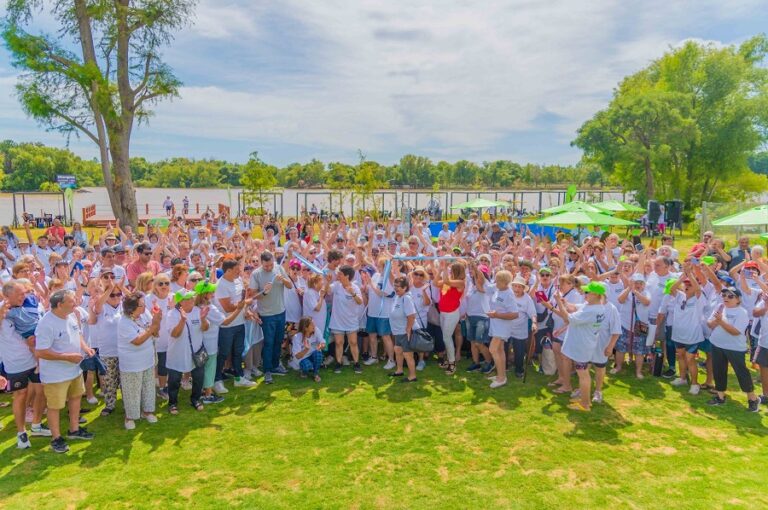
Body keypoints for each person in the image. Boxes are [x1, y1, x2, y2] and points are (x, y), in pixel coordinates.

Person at [35, 290, 95, 453]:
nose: (75, 303)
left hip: (74, 370)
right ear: (59, 305)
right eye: (71, 301)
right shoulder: (46, 324)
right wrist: (67, 357)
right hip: (56, 375)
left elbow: (79, 335)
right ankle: (56, 438)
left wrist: (85, 348)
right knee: (55, 406)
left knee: (76, 398)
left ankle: (74, 430)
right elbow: (40, 351)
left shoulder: (71, 315)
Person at [0, 283, 50, 449]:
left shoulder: (26, 307)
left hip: (33, 358)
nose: (24, 297)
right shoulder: (3, 311)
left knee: (41, 390)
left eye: (24, 293)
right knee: (21, 394)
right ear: (7, 296)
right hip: (15, 362)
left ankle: (36, 425)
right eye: (20, 294)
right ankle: (21, 433)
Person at [706, 287, 760, 411]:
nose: (726, 298)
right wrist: (716, 321)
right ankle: (720, 396)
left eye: (730, 296)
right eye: (724, 295)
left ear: (738, 299)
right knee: (719, 371)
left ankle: (752, 399)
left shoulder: (742, 312)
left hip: (735, 348)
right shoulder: (720, 307)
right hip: (717, 344)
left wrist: (721, 322)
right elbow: (709, 324)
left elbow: (735, 332)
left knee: (741, 373)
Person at [117, 292, 162, 430]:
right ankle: (130, 417)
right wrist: (152, 328)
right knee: (132, 391)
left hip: (147, 360)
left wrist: (157, 320)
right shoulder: (123, 322)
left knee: (148, 387)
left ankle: (147, 412)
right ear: (132, 308)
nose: (144, 307)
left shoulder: (144, 315)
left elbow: (155, 332)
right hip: (132, 364)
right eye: (142, 305)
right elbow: (137, 341)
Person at [249, 251, 293, 384]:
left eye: (270, 265)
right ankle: (267, 370)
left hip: (280, 311)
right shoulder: (256, 274)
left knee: (278, 340)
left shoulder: (279, 268)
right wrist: (265, 292)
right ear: (261, 263)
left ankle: (275, 365)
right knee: (268, 342)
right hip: (266, 314)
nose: (269, 268)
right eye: (266, 266)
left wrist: (283, 279)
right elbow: (253, 295)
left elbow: (290, 286)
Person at [214, 258, 254, 390]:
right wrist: (244, 305)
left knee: (238, 352)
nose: (239, 272)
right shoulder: (220, 285)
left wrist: (245, 311)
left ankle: (239, 377)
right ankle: (217, 380)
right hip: (226, 326)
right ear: (228, 271)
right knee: (224, 353)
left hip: (240, 323)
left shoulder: (238, 280)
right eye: (236, 270)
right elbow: (227, 308)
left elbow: (241, 300)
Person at [166, 290, 209, 414]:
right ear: (180, 301)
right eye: (187, 298)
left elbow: (205, 328)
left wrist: (203, 319)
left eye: (191, 297)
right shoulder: (172, 314)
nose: (191, 300)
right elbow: (174, 334)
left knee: (198, 378)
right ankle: (172, 403)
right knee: (174, 380)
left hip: (196, 353)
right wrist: (182, 320)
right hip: (177, 354)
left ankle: (195, 399)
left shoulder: (198, 311)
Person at [328, 265, 365, 374]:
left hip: (351, 321)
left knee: (353, 342)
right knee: (339, 342)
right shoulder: (336, 285)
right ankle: (338, 363)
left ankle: (357, 363)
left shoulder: (355, 287)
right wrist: (327, 282)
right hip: (337, 321)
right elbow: (326, 291)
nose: (337, 275)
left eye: (340, 274)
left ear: (347, 276)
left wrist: (352, 293)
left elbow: (360, 302)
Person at [486, 271, 520, 388]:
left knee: (493, 349)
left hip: (503, 327)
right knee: (499, 350)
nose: (496, 283)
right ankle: (501, 375)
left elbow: (515, 314)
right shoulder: (498, 290)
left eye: (498, 281)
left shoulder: (509, 295)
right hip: (496, 325)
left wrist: (497, 315)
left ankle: (501, 378)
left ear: (505, 283)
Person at [434, 261, 466, 375]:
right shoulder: (450, 281)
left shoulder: (460, 282)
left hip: (452, 313)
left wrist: (444, 268)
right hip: (443, 312)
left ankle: (452, 363)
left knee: (446, 338)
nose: (450, 271)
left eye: (451, 269)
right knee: (446, 338)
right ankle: (449, 360)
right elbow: (436, 283)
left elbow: (446, 281)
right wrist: (440, 269)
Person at [291, 316, 325, 382]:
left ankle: (316, 374)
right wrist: (306, 349)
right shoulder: (297, 337)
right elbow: (297, 356)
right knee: (307, 366)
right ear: (306, 328)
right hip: (301, 358)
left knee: (318, 354)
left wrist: (320, 346)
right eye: (312, 324)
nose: (314, 326)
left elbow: (323, 342)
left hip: (312, 355)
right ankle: (304, 371)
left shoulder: (316, 330)